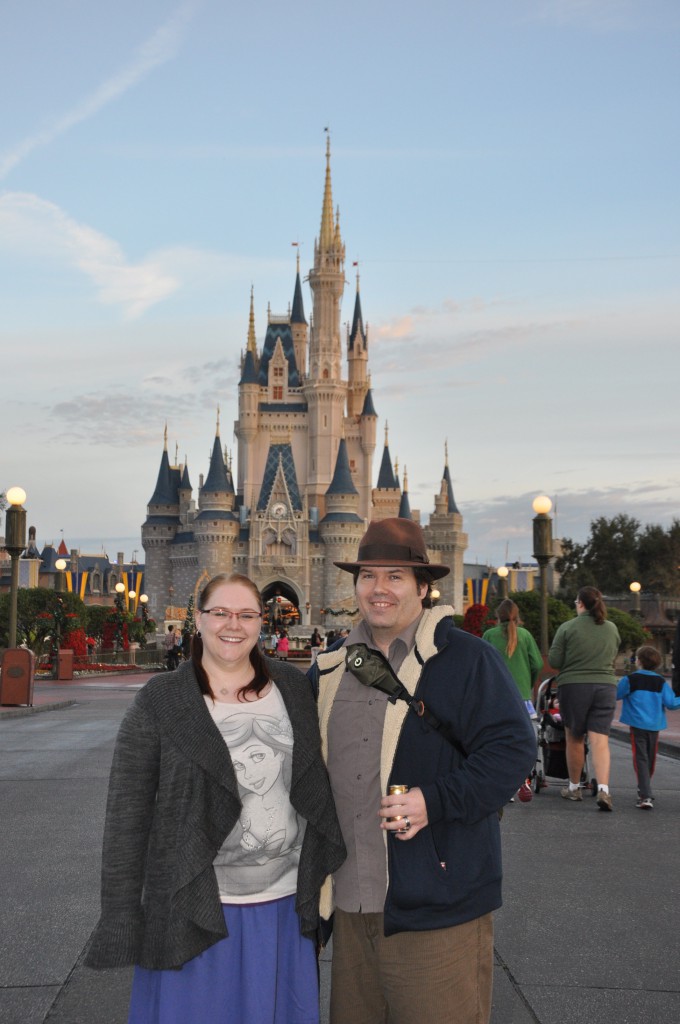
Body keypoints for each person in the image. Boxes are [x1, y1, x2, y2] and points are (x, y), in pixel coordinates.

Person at [86, 572, 345, 1024]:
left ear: (262, 621)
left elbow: (316, 783)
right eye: (220, 612)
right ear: (198, 619)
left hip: (281, 907)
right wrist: (123, 915)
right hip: (192, 906)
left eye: (246, 614)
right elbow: (127, 818)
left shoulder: (292, 688)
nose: (233, 625)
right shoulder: (161, 700)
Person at [309, 518, 536, 1024]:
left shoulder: (467, 660)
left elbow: (514, 749)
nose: (379, 589)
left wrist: (434, 802)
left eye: (395, 576)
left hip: (437, 905)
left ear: (423, 587)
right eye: (368, 576)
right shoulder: (329, 670)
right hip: (350, 907)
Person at [548, 586, 620, 811]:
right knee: (600, 740)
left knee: (575, 737)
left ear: (580, 603)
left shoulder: (568, 627)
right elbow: (613, 654)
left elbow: (555, 660)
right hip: (605, 686)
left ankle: (574, 787)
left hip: (575, 686)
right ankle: (604, 790)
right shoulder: (611, 628)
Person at [483, 598, 543, 802]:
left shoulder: (489, 635)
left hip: (496, 697)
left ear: (497, 616)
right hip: (522, 698)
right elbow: (537, 663)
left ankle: (503, 784)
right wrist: (528, 684)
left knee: (496, 742)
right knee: (523, 741)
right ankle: (523, 778)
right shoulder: (525, 635)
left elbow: (482, 666)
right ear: (517, 616)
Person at [616, 644, 680, 809]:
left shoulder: (630, 679)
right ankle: (645, 789)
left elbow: (616, 694)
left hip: (637, 724)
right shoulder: (660, 681)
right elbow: (672, 704)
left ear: (638, 661)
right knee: (650, 758)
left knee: (641, 758)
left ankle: (645, 794)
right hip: (655, 725)